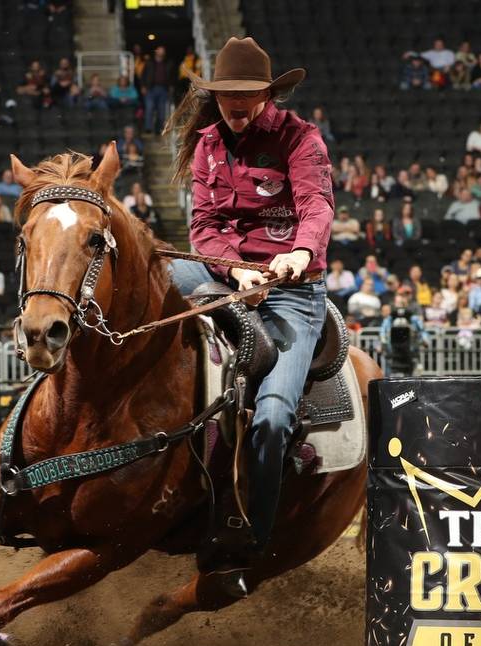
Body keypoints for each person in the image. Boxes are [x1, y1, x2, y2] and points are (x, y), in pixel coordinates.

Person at [165, 37, 332, 584]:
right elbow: (203, 227)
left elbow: (316, 206)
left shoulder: (300, 139)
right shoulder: (208, 144)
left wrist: (299, 253)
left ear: (266, 93)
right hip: (224, 273)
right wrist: (237, 271)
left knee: (275, 415)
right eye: (227, 94)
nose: (235, 104)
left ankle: (253, 536)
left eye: (246, 94)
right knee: (150, 273)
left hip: (292, 286)